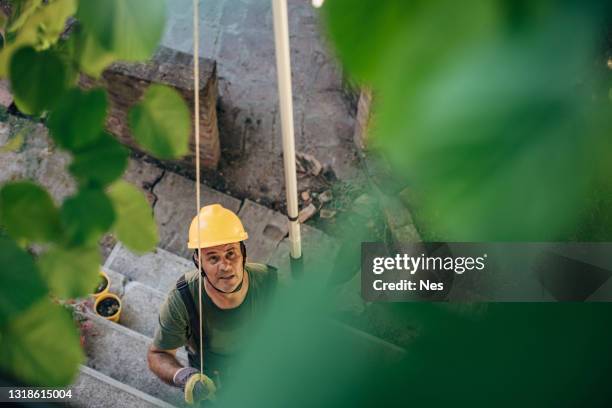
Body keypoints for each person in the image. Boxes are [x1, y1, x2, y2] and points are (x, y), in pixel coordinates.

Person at [147, 204, 277, 403]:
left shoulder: (270, 282)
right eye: (213, 258)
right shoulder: (183, 298)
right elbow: (158, 354)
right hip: (211, 375)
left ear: (243, 253)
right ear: (199, 262)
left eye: (231, 253)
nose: (225, 266)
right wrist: (185, 377)